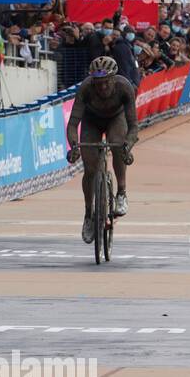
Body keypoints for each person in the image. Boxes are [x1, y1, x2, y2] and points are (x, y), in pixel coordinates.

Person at [64, 55, 139, 243]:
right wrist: (74, 146)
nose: (102, 87)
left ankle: (121, 192)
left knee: (117, 143)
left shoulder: (124, 87)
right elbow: (73, 124)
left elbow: (133, 126)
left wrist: (127, 147)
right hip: (92, 121)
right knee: (90, 168)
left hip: (116, 118)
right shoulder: (86, 88)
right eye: (98, 83)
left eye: (106, 82)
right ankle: (89, 214)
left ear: (114, 79)